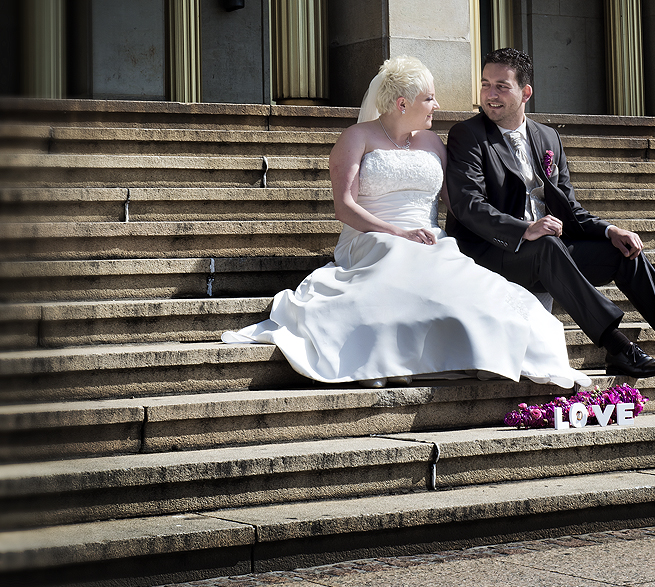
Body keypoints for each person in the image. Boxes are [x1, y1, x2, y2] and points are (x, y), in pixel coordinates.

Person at [223, 56, 590, 390]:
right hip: (370, 237)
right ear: (403, 103)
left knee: (479, 292)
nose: (437, 105)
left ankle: (487, 352)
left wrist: (516, 228)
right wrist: (397, 233)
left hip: (429, 239)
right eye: (429, 98)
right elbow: (345, 207)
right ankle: (379, 359)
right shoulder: (356, 138)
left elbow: (460, 203)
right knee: (398, 265)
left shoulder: (432, 142)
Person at [445, 48, 655, 378]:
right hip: (494, 252)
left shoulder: (547, 137)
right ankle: (618, 347)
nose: (490, 95)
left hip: (548, 253)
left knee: (623, 252)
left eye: (501, 86)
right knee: (547, 246)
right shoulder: (469, 134)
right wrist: (524, 229)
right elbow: (468, 204)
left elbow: (569, 209)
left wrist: (609, 231)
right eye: (485, 84)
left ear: (526, 92)